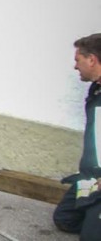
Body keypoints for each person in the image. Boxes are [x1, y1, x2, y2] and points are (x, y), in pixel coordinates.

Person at [53, 33, 101, 240]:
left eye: (77, 60)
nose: (75, 66)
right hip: (91, 177)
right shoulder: (96, 89)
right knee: (64, 218)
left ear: (92, 60)